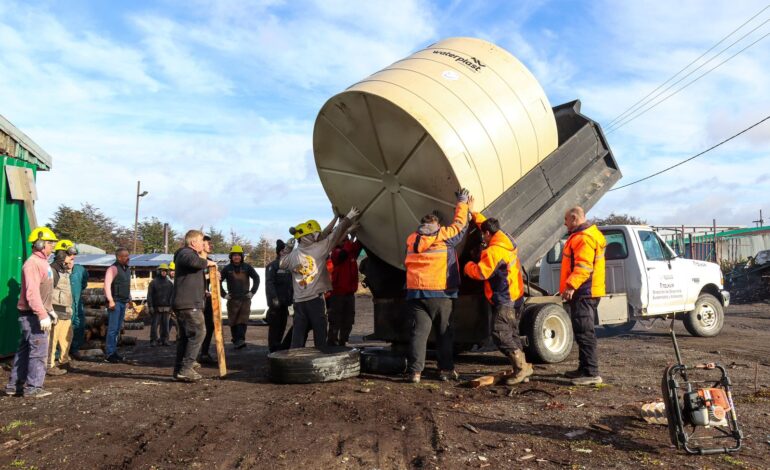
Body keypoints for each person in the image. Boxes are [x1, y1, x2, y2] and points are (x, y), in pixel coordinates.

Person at [404, 189, 471, 383]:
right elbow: (460, 224)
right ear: (437, 225)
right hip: (441, 292)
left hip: (416, 292)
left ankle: (415, 373)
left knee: (419, 334)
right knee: (444, 333)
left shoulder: (412, 239)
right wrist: (463, 202)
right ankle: (445, 370)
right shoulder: (443, 235)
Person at [464, 215, 533, 385]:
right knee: (512, 333)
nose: (482, 238)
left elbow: (481, 273)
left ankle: (522, 368)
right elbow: (486, 225)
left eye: (483, 235)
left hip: (504, 298)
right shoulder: (506, 240)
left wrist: (467, 266)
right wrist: (474, 213)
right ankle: (523, 368)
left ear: (488, 233)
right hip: (516, 295)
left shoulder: (494, 251)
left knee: (500, 333)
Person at [280, 208, 359, 349]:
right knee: (320, 333)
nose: (318, 235)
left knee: (298, 334)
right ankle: (320, 360)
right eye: (315, 234)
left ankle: (294, 363)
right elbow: (334, 235)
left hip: (298, 302)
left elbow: (282, 262)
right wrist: (348, 217)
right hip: (314, 301)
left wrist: (288, 247)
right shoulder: (319, 249)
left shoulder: (293, 255)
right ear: (309, 236)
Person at [4, 227, 58, 398]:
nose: (53, 247)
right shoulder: (33, 264)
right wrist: (42, 315)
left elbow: (44, 291)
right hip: (33, 316)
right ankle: (34, 387)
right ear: (41, 244)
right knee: (38, 351)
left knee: (25, 351)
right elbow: (32, 293)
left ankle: (14, 386)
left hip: (36, 314)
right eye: (51, 243)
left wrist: (50, 310)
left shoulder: (43, 263)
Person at [560, 206, 607, 386]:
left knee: (585, 332)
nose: (565, 223)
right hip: (587, 291)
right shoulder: (587, 235)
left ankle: (591, 373)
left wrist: (571, 286)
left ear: (574, 218)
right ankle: (584, 368)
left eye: (566, 220)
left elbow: (583, 267)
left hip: (584, 292)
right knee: (582, 331)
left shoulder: (584, 238)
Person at [172, 230, 218, 382]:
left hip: (188, 302)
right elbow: (193, 262)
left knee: (185, 338)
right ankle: (186, 369)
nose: (203, 244)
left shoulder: (188, 255)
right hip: (188, 304)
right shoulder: (185, 253)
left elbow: (192, 274)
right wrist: (209, 263)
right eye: (201, 241)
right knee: (199, 332)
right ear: (193, 243)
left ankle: (179, 370)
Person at [220, 245, 260, 349]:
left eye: (238, 255)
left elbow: (256, 278)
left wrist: (252, 292)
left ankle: (241, 340)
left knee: (243, 320)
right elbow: (217, 281)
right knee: (233, 320)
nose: (236, 257)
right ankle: (236, 340)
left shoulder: (247, 267)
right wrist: (224, 294)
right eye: (234, 255)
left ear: (241, 256)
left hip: (245, 299)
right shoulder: (227, 269)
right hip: (232, 299)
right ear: (231, 256)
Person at [48, 240, 78, 376]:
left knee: (67, 337)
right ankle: (49, 365)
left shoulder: (65, 270)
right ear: (61, 254)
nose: (72, 257)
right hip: (55, 311)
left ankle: (64, 361)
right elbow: (47, 292)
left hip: (66, 310)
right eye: (69, 254)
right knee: (52, 339)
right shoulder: (53, 270)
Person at [327, 235, 363, 346]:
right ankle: (332, 341)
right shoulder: (336, 253)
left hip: (349, 293)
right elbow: (342, 255)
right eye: (342, 239)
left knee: (348, 320)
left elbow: (359, 244)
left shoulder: (351, 252)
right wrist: (351, 239)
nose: (345, 241)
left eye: (346, 239)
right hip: (337, 294)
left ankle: (343, 340)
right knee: (335, 319)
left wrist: (358, 233)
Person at [265, 240, 294, 352]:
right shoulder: (273, 266)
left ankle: (278, 348)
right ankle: (272, 349)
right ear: (278, 252)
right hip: (276, 304)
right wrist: (274, 298)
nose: (284, 252)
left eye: (285, 250)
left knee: (282, 326)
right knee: (275, 328)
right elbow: (269, 283)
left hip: (285, 303)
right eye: (282, 250)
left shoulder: (289, 267)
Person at [104, 247, 131, 363]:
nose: (127, 258)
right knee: (112, 329)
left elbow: (126, 285)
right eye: (125, 256)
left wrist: (129, 298)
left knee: (117, 329)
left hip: (123, 302)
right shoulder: (113, 268)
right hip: (115, 302)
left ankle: (114, 351)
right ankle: (109, 354)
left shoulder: (127, 269)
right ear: (119, 257)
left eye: (128, 255)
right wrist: (110, 300)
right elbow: (106, 285)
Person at [68, 247, 89, 359]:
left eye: (72, 259)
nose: (70, 262)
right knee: (64, 328)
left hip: (77, 303)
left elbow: (84, 283)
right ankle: (59, 352)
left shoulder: (79, 270)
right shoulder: (57, 271)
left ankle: (75, 349)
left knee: (79, 325)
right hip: (65, 305)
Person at [198, 235, 216, 364]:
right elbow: (192, 277)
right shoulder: (194, 260)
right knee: (196, 328)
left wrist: (216, 277)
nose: (210, 245)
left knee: (210, 326)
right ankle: (191, 356)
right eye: (208, 243)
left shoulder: (210, 261)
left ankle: (204, 352)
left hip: (208, 300)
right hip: (195, 300)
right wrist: (208, 275)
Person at [147, 263, 174, 347]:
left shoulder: (170, 284)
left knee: (165, 325)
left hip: (167, 308)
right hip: (156, 308)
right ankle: (153, 340)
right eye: (162, 271)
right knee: (155, 325)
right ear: (159, 271)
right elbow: (149, 295)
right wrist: (150, 306)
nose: (164, 272)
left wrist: (171, 307)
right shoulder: (153, 283)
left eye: (165, 271)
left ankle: (165, 340)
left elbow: (172, 296)